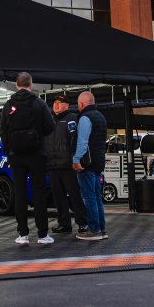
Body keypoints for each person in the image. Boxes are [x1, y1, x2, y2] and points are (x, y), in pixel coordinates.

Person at [0, 72, 55, 245]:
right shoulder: (39, 103)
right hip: (37, 154)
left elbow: (3, 131)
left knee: (20, 192)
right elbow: (50, 126)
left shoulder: (9, 104)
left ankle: (22, 234)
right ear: (31, 85)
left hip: (16, 155)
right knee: (39, 192)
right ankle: (42, 235)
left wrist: (9, 150)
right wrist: (37, 135)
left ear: (16, 85)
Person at [44, 94, 88, 234]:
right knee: (58, 197)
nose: (56, 104)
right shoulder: (48, 120)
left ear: (67, 105)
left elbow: (77, 141)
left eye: (60, 102)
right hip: (52, 165)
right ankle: (64, 224)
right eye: (55, 102)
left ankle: (83, 223)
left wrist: (75, 159)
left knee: (75, 196)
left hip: (68, 166)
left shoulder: (73, 119)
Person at [72, 91, 108, 241]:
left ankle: (94, 230)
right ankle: (102, 229)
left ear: (81, 104)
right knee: (97, 197)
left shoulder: (85, 118)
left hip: (87, 164)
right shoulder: (101, 117)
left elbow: (82, 142)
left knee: (89, 197)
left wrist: (76, 160)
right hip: (98, 162)